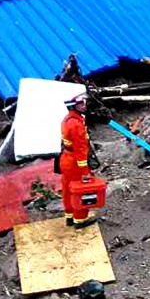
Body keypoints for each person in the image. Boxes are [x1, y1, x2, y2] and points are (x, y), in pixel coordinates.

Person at [61, 92, 96, 228]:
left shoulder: (67, 120)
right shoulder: (76, 125)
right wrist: (85, 170)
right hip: (75, 163)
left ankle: (69, 217)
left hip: (66, 159)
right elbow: (80, 150)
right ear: (73, 106)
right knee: (80, 190)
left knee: (67, 189)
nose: (84, 105)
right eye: (80, 103)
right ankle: (80, 220)